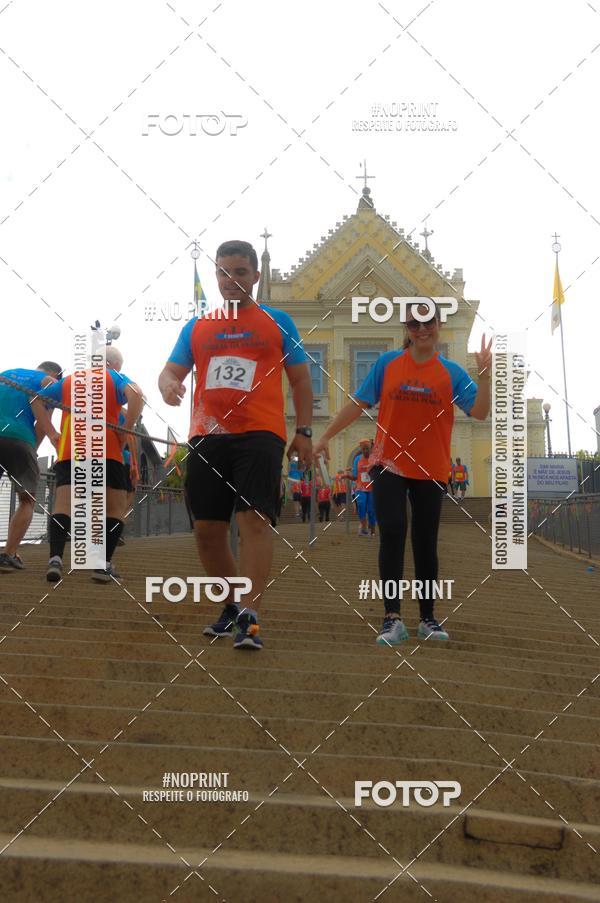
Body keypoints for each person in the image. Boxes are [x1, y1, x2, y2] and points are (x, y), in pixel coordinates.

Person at [158, 239, 313, 650]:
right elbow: (169, 371)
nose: (231, 281)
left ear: (254, 276)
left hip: (260, 432)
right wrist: (170, 384)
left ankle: (250, 615)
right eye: (224, 273)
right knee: (208, 531)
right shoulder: (197, 326)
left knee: (254, 521)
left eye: (240, 273)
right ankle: (229, 606)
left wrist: (305, 430)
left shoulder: (277, 321)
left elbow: (299, 380)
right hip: (208, 434)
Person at [314, 302, 491, 644]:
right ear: (406, 328)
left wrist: (484, 377)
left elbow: (480, 411)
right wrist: (324, 436)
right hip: (389, 464)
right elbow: (357, 403)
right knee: (393, 529)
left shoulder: (452, 372)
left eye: (428, 322)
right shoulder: (388, 364)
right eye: (414, 323)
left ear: (439, 324)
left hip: (432, 468)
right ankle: (392, 617)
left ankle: (428, 617)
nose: (422, 329)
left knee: (425, 541)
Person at [34, 353, 144, 584]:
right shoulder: (115, 377)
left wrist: (52, 432)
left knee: (64, 505)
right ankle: (102, 566)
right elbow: (136, 395)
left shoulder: (70, 380)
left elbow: (35, 400)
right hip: (107, 449)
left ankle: (55, 559)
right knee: (115, 509)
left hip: (71, 449)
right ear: (113, 364)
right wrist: (126, 430)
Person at [0, 362, 62, 571]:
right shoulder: (48, 382)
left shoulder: (6, 373)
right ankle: (8, 554)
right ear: (55, 373)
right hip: (20, 438)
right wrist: (32, 448)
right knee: (27, 499)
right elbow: (43, 423)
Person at [352, 439, 376, 536]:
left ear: (371, 448)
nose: (365, 451)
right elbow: (354, 475)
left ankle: (372, 530)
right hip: (360, 488)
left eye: (367, 449)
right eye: (363, 449)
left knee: (371, 510)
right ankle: (363, 527)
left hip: (373, 488)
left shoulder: (375, 458)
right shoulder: (357, 459)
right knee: (361, 505)